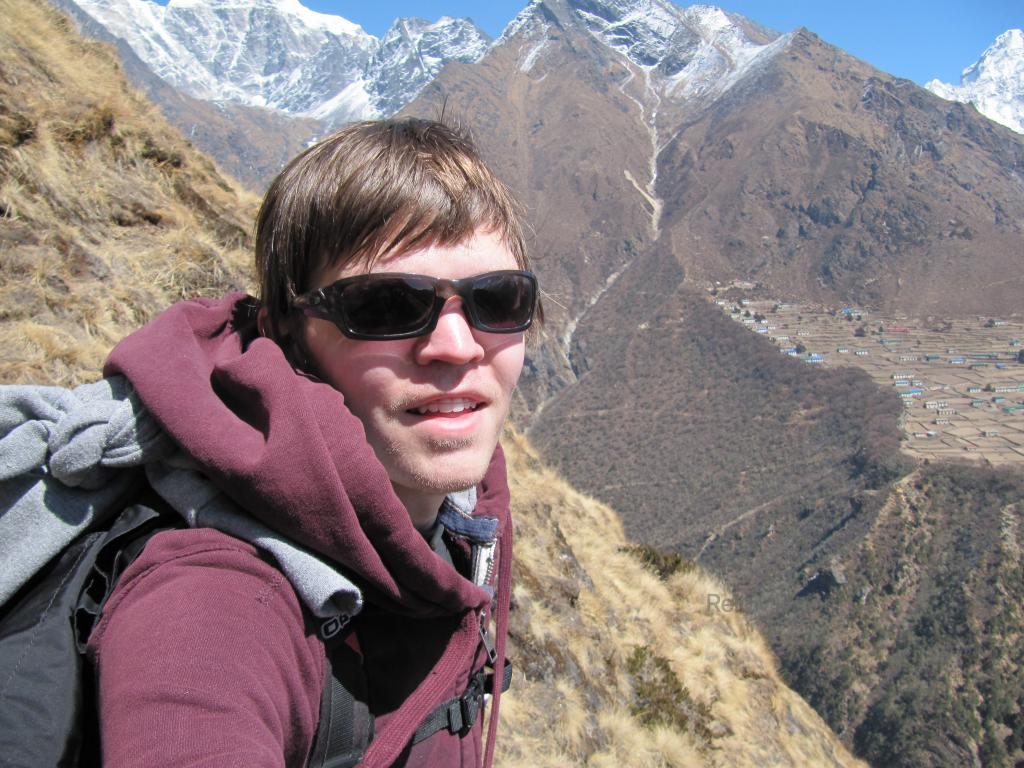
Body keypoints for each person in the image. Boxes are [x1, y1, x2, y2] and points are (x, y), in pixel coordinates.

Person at [86, 117, 540, 767]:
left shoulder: (466, 509)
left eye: (496, 299)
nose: (457, 346)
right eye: (387, 307)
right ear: (289, 335)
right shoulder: (217, 597)